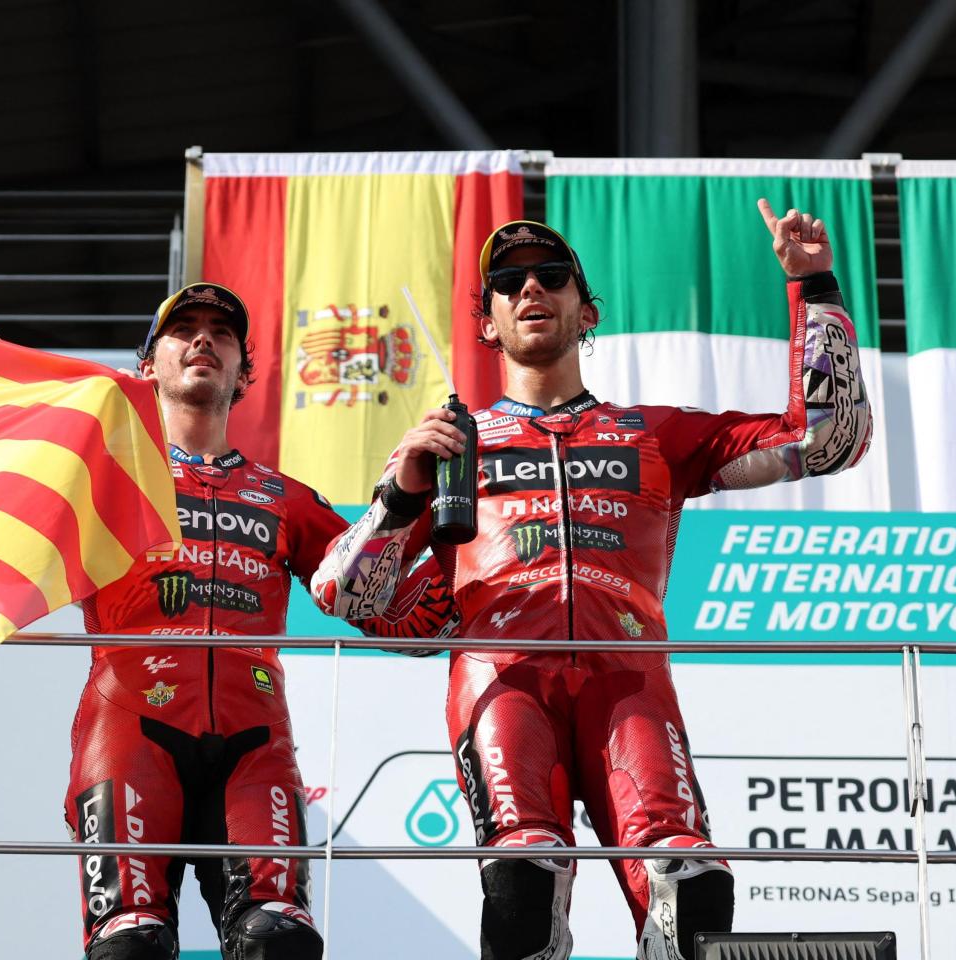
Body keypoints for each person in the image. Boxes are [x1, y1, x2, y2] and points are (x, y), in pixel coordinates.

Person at [310, 202, 873, 960]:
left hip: (629, 683)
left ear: (587, 311)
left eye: (551, 275)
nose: (529, 289)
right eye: (507, 281)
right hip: (502, 685)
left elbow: (826, 440)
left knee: (691, 878)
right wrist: (403, 493)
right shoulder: (448, 449)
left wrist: (815, 287)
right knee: (524, 877)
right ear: (488, 323)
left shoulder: (657, 433)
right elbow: (346, 597)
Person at [65, 283, 360, 960]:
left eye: (221, 334)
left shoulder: (285, 498)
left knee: (279, 941)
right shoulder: (100, 477)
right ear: (148, 367)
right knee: (129, 947)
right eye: (184, 329)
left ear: (243, 373)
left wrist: (404, 503)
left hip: (254, 742)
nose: (204, 339)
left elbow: (389, 605)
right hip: (128, 734)